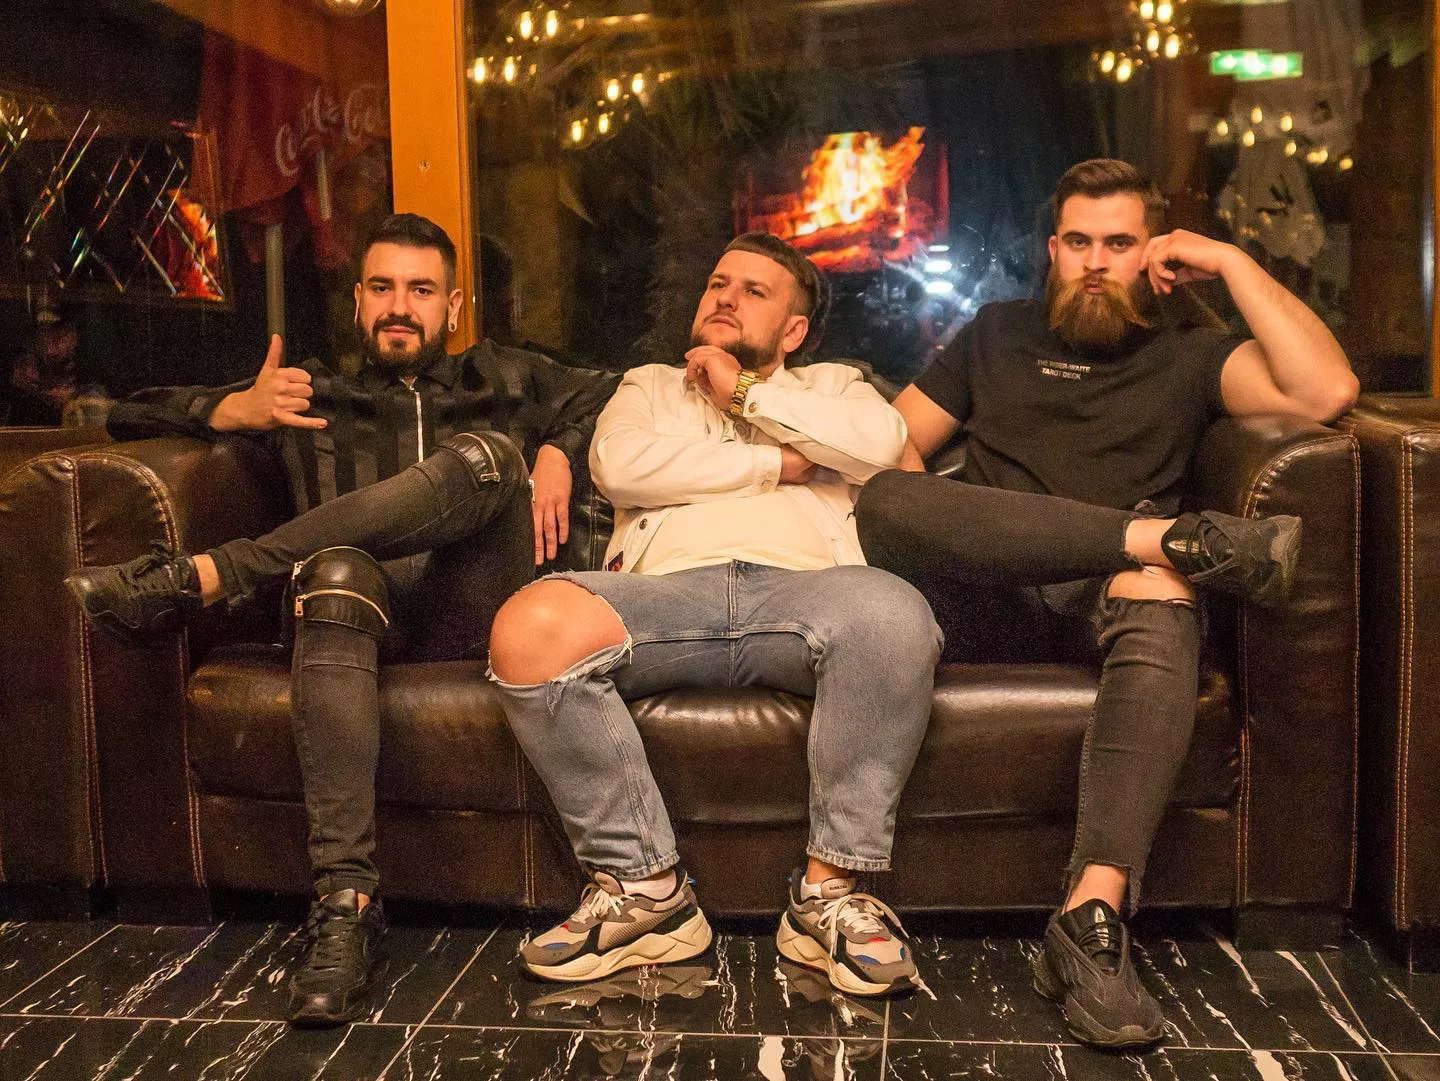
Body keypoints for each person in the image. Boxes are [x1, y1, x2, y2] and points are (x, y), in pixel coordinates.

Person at [63, 213, 617, 1027]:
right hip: (346, 619)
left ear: (453, 306)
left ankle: (213, 573)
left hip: (471, 612)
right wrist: (233, 408)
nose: (400, 307)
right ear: (358, 301)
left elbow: (617, 388)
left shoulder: (502, 377)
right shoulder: (311, 392)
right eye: (383, 288)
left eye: (421, 291)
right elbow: (126, 413)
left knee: (490, 456)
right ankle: (345, 907)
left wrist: (559, 447)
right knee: (335, 571)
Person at [855, 159, 1359, 1049]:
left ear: (1155, 254)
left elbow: (1326, 393)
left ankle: (1089, 917)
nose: (1095, 262)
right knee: (889, 501)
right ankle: (1165, 538)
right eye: (1079, 242)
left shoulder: (1191, 354)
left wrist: (1231, 262)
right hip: (986, 593)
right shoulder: (995, 333)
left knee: (1162, 593)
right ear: (1052, 250)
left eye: (1119, 243)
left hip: (1107, 597)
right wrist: (979, 532)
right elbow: (893, 454)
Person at [486, 232, 942, 996]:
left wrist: (745, 394)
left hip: (813, 592)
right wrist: (781, 463)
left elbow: (881, 442)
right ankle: (645, 892)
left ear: (794, 330)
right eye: (718, 283)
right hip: (663, 595)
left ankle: (829, 895)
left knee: (897, 615)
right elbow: (622, 465)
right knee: (526, 629)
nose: (725, 297)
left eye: (754, 291)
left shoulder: (835, 386)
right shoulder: (649, 385)